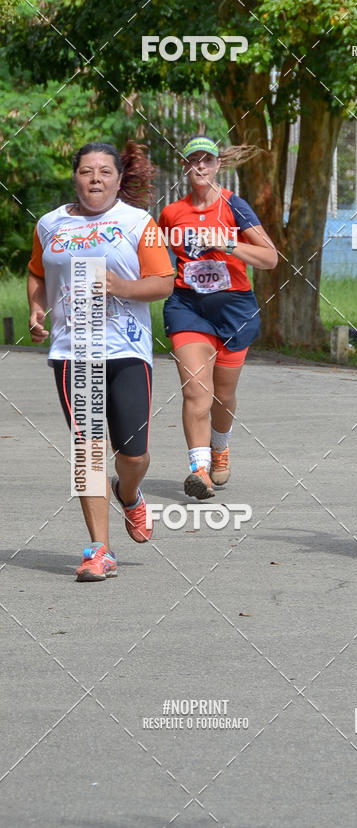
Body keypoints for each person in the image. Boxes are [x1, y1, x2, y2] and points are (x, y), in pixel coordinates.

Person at [27, 142, 174, 581]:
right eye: (87, 170)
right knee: (87, 450)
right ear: (75, 176)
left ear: (117, 178)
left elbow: (163, 281)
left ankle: (128, 494)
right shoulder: (50, 224)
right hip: (74, 351)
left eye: (105, 172)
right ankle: (99, 549)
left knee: (134, 455)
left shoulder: (138, 222)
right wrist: (36, 308)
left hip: (126, 348)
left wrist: (120, 287)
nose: (96, 178)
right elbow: (38, 272)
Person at [158, 136, 278, 500]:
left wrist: (224, 243)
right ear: (185, 167)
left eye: (206, 161)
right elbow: (157, 263)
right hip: (188, 308)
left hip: (233, 310)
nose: (200, 168)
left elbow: (270, 258)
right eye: (193, 161)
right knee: (197, 390)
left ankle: (219, 445)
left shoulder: (234, 207)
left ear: (217, 166)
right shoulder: (170, 213)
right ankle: (198, 469)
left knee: (222, 395)